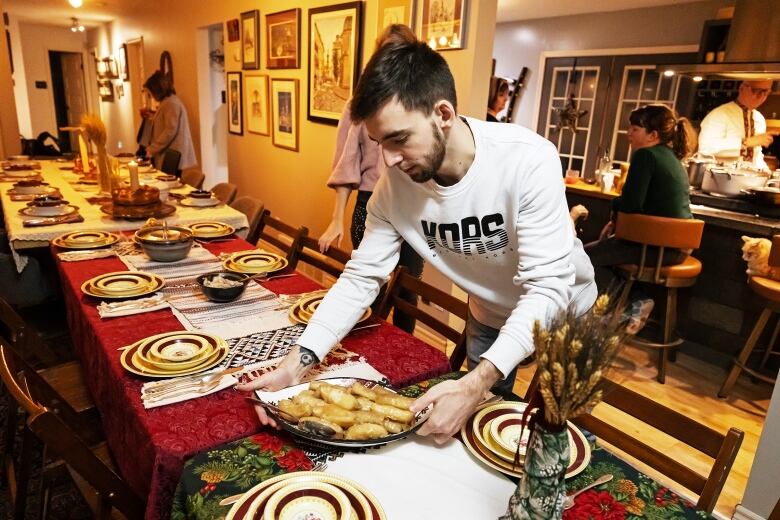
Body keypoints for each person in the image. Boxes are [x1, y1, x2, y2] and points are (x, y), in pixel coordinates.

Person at [239, 38, 597, 443]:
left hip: (569, 313)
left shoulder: (527, 160)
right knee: (483, 433)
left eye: (398, 139)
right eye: (379, 143)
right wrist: (297, 363)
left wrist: (475, 384)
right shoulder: (394, 189)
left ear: (442, 113)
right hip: (490, 314)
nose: (387, 160)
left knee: (559, 443)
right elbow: (361, 278)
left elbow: (548, 288)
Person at [318, 23, 423, 334]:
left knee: (407, 291)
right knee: (369, 289)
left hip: (412, 210)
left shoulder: (418, 104)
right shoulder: (359, 106)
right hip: (370, 206)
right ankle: (366, 352)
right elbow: (346, 164)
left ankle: (406, 354)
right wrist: (337, 219)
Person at [584, 104, 696, 330]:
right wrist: (617, 218)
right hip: (675, 248)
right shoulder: (673, 158)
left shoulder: (646, 155)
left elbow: (631, 203)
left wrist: (616, 210)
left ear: (652, 135)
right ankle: (630, 304)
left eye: (635, 128)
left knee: (581, 257)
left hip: (653, 248)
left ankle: (632, 302)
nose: (629, 133)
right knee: (603, 254)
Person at [699, 79, 775, 170]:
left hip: (748, 178)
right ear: (742, 88)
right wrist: (745, 143)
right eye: (756, 90)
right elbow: (706, 148)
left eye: (766, 91)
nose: (762, 96)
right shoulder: (719, 114)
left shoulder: (759, 119)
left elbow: (756, 154)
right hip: (719, 178)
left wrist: (767, 172)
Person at [140, 71, 197, 173]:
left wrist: (152, 148)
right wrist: (152, 115)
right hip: (170, 154)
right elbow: (166, 122)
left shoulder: (171, 103)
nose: (152, 96)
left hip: (172, 155)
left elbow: (170, 131)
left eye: (151, 93)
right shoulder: (168, 102)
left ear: (157, 90)